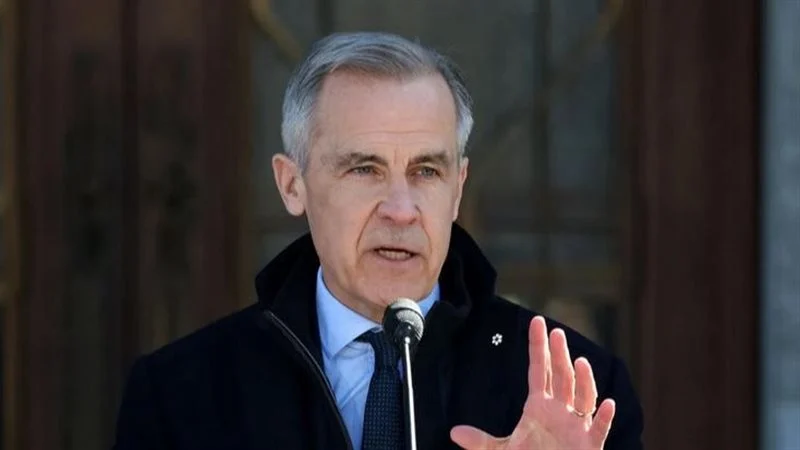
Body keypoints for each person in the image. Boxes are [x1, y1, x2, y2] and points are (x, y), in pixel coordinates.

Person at [113, 31, 644, 450]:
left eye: (426, 172)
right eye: (364, 169)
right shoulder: (179, 395)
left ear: (458, 189)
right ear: (292, 184)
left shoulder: (580, 397)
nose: (401, 209)